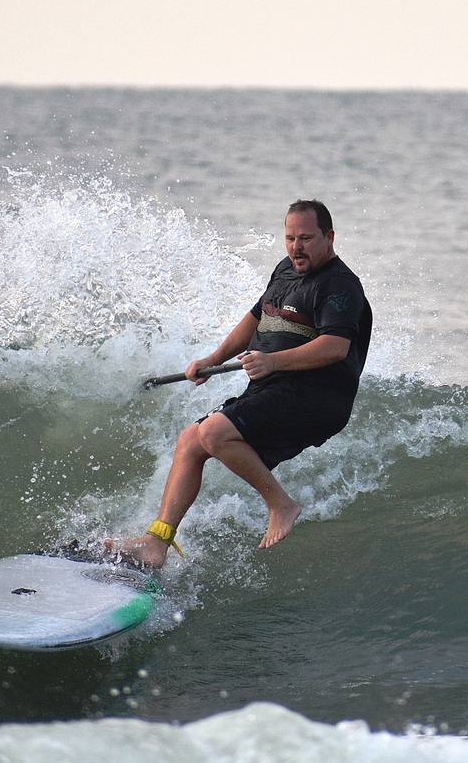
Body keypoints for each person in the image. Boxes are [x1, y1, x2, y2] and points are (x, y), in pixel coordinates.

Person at [109, 200, 372, 570]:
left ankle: (281, 504)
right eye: (290, 238)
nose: (296, 247)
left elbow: (335, 347)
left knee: (214, 433)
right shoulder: (285, 271)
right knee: (190, 441)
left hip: (316, 397)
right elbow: (255, 319)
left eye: (306, 238)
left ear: (329, 237)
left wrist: (272, 361)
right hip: (275, 390)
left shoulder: (340, 286)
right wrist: (212, 359)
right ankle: (157, 543)